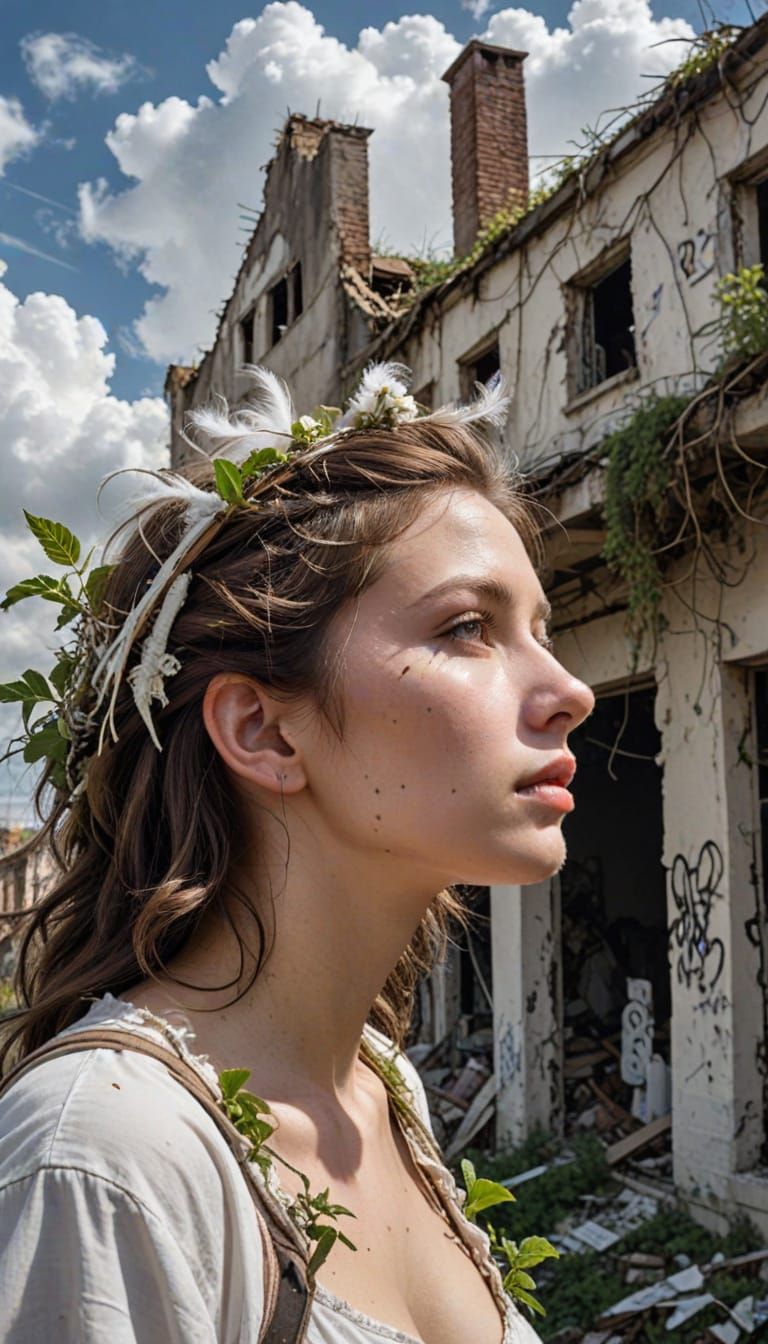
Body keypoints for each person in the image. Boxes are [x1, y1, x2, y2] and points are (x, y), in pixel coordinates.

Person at [0, 362, 594, 1343]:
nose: (569, 689)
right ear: (267, 733)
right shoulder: (104, 1162)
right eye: (468, 628)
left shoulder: (379, 1088)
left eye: (541, 629)